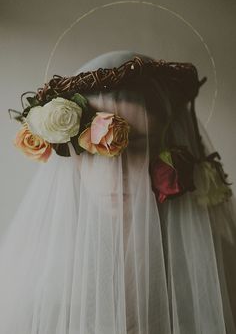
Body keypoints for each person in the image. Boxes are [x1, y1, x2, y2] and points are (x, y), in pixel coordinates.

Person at [1, 50, 236, 333]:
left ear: (170, 146)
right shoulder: (39, 265)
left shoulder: (214, 262)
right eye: (93, 146)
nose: (115, 171)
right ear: (69, 152)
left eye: (136, 144)